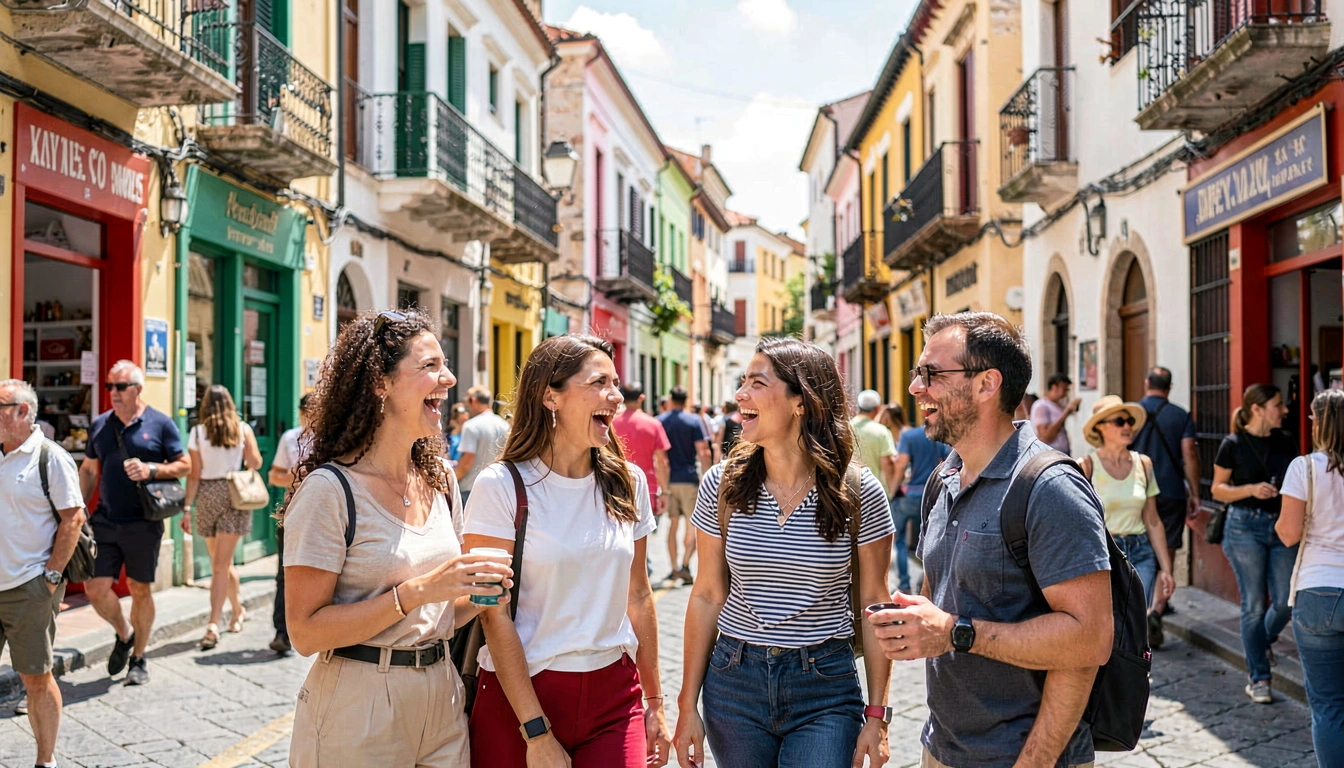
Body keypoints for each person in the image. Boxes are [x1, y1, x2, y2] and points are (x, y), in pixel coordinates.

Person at [869, 312, 1114, 768]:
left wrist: (955, 632)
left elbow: (1089, 640)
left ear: (987, 384)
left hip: (1026, 757)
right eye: (917, 373)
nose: (915, 388)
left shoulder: (1050, 487)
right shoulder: (944, 478)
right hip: (940, 749)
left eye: (932, 374)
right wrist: (916, 622)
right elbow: (941, 602)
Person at [282, 309, 512, 766]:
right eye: (430, 366)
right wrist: (416, 593)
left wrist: (484, 591)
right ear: (380, 383)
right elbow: (305, 633)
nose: (448, 379)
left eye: (445, 365)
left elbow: (444, 612)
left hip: (442, 693)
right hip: (360, 701)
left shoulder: (441, 478)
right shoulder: (330, 490)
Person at [673, 337, 896, 768]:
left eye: (757, 383)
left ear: (801, 401)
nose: (741, 394)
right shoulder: (722, 485)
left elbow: (874, 602)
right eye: (743, 382)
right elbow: (706, 595)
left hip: (826, 687)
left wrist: (877, 715)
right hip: (733, 683)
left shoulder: (858, 491)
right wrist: (687, 706)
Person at [464, 334, 671, 768]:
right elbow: (492, 614)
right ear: (550, 396)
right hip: (519, 697)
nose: (616, 396)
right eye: (599, 382)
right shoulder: (500, 486)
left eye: (616, 383)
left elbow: (638, 594)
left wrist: (655, 703)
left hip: (615, 698)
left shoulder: (629, 482)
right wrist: (536, 731)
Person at [79, 360, 190, 686]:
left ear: (138, 389)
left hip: (144, 522)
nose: (113, 392)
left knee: (139, 589)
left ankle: (139, 657)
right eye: (109, 386)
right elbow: (89, 470)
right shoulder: (100, 425)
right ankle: (124, 633)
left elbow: (184, 464)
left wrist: (151, 470)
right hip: (105, 520)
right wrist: (77, 509)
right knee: (95, 589)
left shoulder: (160, 423)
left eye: (120, 386)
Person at [0, 379, 87, 768]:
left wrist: (51, 577)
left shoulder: (49, 457)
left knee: (35, 678)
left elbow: (74, 518)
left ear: (22, 411)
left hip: (28, 586)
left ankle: (45, 760)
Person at [1212, 383, 1299, 704]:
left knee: (1286, 601)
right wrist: (1250, 489)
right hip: (1243, 527)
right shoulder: (1232, 444)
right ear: (1257, 409)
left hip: (1281, 526)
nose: (1285, 410)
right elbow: (1218, 489)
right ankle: (1259, 677)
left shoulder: (1286, 440)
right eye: (1278, 405)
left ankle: (1260, 642)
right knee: (1254, 605)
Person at [1277, 389, 1344, 763]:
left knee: (1329, 705)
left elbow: (1288, 534)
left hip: (1318, 589)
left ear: (1320, 423)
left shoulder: (1304, 468)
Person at [1079, 396, 1176, 648]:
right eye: (1120, 421)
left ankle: (1133, 668)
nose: (1127, 427)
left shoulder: (1144, 464)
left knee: (1134, 622)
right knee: (1111, 624)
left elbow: (1152, 520)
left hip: (1141, 552)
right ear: (1100, 427)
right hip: (1105, 554)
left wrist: (1166, 569)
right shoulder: (1086, 467)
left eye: (1130, 421)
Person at [182, 385, 264, 650]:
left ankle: (213, 624)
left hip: (207, 494)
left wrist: (187, 507)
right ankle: (237, 609)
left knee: (219, 564)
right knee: (223, 564)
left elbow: (194, 474)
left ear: (205, 405)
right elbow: (256, 463)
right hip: (233, 494)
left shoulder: (197, 432)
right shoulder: (242, 429)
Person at [1131, 366, 1203, 568]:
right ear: (1169, 387)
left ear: (1147, 383)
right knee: (1169, 543)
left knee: (1138, 541)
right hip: (1171, 489)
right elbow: (1189, 454)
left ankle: (1142, 584)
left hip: (1137, 487)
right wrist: (1195, 493)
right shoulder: (1180, 415)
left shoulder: (1132, 414)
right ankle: (1163, 583)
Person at [266, 393, 313, 655]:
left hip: (323, 514)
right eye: (308, 412)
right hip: (293, 512)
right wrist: (298, 476)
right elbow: (274, 475)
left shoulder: (334, 437)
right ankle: (282, 632)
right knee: (285, 573)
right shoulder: (290, 438)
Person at [891, 417, 952, 594]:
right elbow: (947, 459)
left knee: (900, 540)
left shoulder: (909, 436)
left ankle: (904, 583)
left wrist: (892, 491)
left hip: (909, 495)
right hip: (932, 495)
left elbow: (901, 465)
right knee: (929, 541)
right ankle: (927, 584)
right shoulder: (938, 436)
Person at [659, 386, 713, 584]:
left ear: (671, 399)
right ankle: (685, 564)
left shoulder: (660, 421)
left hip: (669, 480)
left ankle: (673, 568)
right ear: (686, 400)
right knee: (693, 524)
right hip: (689, 479)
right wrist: (708, 477)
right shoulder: (694, 421)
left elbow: (659, 457)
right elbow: (703, 452)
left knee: (672, 524)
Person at [612, 382, 671, 516]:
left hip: (618, 487)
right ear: (642, 397)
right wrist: (664, 492)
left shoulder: (612, 424)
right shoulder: (654, 424)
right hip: (647, 488)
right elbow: (662, 462)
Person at [455, 386, 509, 506]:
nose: (467, 407)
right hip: (498, 488)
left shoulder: (471, 426)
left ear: (474, 401)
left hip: (471, 489)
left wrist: (453, 479)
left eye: (467, 403)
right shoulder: (504, 425)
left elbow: (467, 460)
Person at [851, 390, 900, 499]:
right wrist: (890, 492)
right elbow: (887, 463)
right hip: (874, 492)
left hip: (849, 489)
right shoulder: (881, 432)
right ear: (878, 408)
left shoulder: (846, 428)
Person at [1030, 372, 1081, 455]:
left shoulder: (1057, 405)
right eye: (1064, 390)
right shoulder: (1041, 406)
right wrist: (1066, 412)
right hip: (1051, 454)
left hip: (1062, 453)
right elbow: (1044, 437)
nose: (1065, 394)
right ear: (1054, 387)